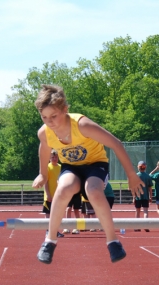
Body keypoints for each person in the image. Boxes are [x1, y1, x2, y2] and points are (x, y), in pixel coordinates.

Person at [31, 84, 144, 264]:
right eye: (44, 117)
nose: (49, 121)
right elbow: (44, 149)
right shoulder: (44, 132)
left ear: (65, 110)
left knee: (93, 191)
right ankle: (50, 241)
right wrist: (42, 174)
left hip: (95, 165)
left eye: (54, 116)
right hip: (71, 167)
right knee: (63, 189)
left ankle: (113, 241)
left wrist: (131, 174)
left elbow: (116, 143)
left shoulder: (82, 125)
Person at [43, 150, 64, 238]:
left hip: (58, 195)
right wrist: (48, 194)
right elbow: (45, 182)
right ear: (49, 158)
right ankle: (48, 231)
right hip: (50, 195)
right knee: (48, 214)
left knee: (57, 214)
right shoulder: (47, 167)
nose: (54, 159)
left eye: (55, 157)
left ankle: (56, 231)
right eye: (52, 157)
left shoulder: (60, 167)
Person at [134, 161, 153, 232]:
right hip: (145, 196)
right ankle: (146, 225)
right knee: (145, 211)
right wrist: (151, 197)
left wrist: (133, 197)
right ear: (145, 167)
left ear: (138, 167)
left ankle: (137, 226)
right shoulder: (147, 176)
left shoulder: (136, 176)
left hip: (138, 196)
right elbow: (150, 188)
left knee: (137, 211)